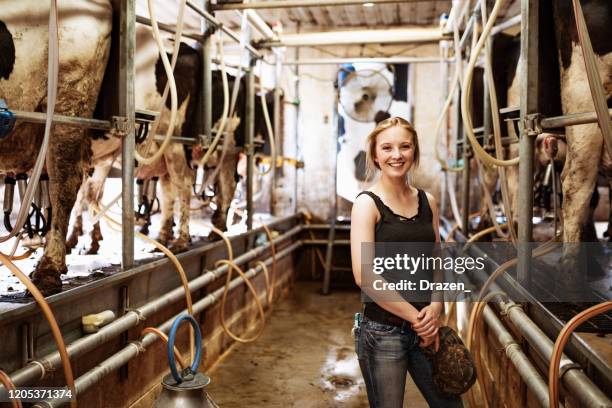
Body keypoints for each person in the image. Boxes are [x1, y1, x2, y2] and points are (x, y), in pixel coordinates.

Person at [350, 116, 463, 408]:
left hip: (427, 325)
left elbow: (436, 260)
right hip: (383, 331)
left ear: (414, 151)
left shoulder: (429, 201)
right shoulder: (366, 204)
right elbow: (365, 276)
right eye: (387, 148)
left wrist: (436, 306)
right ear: (375, 155)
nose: (396, 155)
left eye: (404, 146)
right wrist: (418, 319)